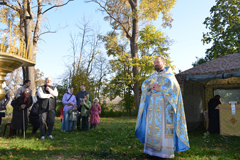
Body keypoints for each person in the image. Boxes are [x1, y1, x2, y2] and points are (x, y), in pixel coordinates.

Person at [135, 57, 190, 158]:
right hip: (152, 109)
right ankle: (151, 151)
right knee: (151, 129)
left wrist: (161, 88)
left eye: (158, 62)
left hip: (164, 109)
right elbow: (144, 86)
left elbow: (175, 91)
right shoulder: (153, 76)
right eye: (155, 62)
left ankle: (163, 153)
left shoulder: (170, 76)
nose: (156, 63)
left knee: (163, 130)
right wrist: (149, 87)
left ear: (163, 63)